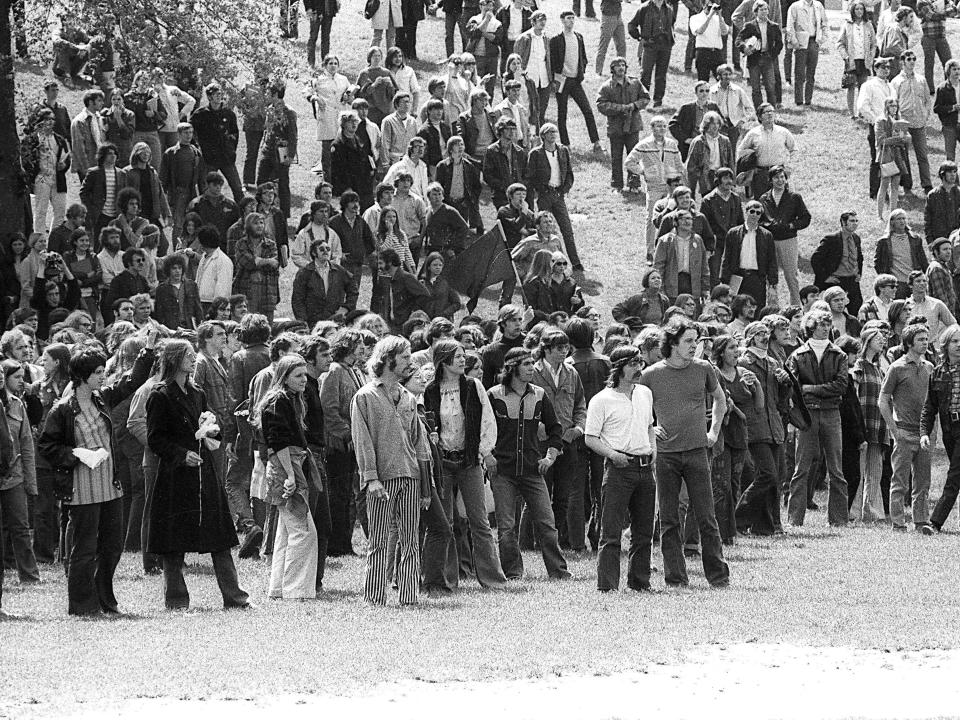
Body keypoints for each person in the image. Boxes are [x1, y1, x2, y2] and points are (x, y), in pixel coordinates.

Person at [38, 336, 154, 615]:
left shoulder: (101, 398)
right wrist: (76, 454)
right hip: (81, 490)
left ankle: (105, 598)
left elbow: (129, 383)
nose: (103, 376)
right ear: (82, 376)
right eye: (98, 373)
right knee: (84, 549)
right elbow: (47, 445)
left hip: (109, 487)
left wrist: (147, 351)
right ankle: (81, 604)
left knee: (112, 547)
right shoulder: (63, 409)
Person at [146, 339, 250, 609]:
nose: (193, 359)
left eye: (193, 355)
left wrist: (212, 432)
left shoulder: (197, 392)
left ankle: (235, 597)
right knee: (173, 542)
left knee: (220, 537)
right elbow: (155, 439)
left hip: (204, 472)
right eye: (187, 355)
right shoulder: (160, 395)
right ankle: (177, 600)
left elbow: (208, 426)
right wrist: (181, 455)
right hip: (176, 477)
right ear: (173, 359)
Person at [640, 317, 729, 587]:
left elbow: (720, 401)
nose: (695, 346)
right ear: (673, 344)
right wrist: (650, 429)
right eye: (689, 341)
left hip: (696, 452)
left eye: (697, 341)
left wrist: (713, 432)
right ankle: (676, 578)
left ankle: (718, 577)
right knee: (668, 518)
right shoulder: (651, 374)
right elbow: (639, 409)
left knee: (706, 516)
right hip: (666, 455)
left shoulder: (704, 369)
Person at [351, 336, 433, 605]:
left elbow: (420, 444)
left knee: (410, 540)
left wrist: (425, 486)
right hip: (381, 480)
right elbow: (362, 441)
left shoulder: (409, 397)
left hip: (410, 477)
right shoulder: (364, 397)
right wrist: (371, 478)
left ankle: (409, 597)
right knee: (378, 540)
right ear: (388, 359)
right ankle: (374, 598)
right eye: (406, 357)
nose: (411, 362)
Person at [421, 340, 507, 589]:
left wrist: (482, 451)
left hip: (469, 461)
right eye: (457, 356)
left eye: (463, 356)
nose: (462, 360)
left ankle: (493, 579)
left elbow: (487, 421)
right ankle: (447, 578)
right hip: (444, 464)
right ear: (444, 361)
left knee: (479, 521)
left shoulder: (473, 385)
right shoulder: (430, 390)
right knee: (446, 522)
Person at [487, 347, 571, 580]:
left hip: (533, 470)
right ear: (513, 367)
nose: (531, 368)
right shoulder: (493, 395)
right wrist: (487, 456)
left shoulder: (540, 395)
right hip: (502, 471)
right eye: (526, 364)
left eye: (531, 363)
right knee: (506, 527)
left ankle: (559, 571)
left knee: (547, 523)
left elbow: (555, 430)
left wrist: (550, 457)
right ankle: (513, 573)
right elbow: (482, 430)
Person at [584, 345, 656, 590]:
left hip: (645, 467)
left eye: (639, 363)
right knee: (611, 532)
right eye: (632, 364)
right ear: (618, 368)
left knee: (644, 531)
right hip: (618, 468)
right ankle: (607, 585)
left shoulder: (645, 393)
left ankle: (640, 582)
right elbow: (590, 438)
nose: (638, 368)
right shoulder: (601, 400)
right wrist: (614, 455)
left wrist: (652, 448)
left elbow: (649, 426)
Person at [259, 354, 321, 600]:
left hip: (291, 464)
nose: (304, 379)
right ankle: (296, 589)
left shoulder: (288, 400)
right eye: (298, 375)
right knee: (304, 532)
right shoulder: (279, 401)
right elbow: (278, 441)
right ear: (284, 378)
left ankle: (279, 588)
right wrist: (290, 475)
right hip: (287, 465)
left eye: (305, 374)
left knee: (287, 531)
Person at [786, 308, 849, 527]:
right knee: (801, 467)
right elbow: (793, 386)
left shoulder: (839, 354)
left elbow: (842, 386)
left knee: (836, 469)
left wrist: (811, 388)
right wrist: (815, 389)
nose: (825, 327)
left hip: (831, 412)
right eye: (821, 324)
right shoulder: (797, 354)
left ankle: (839, 520)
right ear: (811, 327)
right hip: (808, 414)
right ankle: (794, 519)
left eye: (828, 323)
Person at [880, 323, 934, 533]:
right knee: (900, 480)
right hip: (903, 430)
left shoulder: (929, 367)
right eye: (920, 339)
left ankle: (921, 521)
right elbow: (883, 401)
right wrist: (894, 430)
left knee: (923, 482)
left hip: (924, 434)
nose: (925, 342)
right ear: (909, 342)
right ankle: (898, 523)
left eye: (926, 338)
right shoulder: (897, 367)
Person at [0, 361, 39, 586]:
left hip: (14, 476)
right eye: (16, 377)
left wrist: (30, 483)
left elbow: (26, 445)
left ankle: (30, 574)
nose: (21, 381)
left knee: (21, 527)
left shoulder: (17, 405)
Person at [525, 123, 584, 274]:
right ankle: (551, 263)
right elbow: (530, 177)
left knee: (567, 229)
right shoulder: (536, 153)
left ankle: (575, 263)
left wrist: (564, 189)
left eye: (554, 131)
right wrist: (540, 190)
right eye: (549, 132)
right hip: (545, 195)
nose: (553, 134)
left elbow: (569, 173)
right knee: (547, 230)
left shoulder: (562, 150)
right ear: (543, 136)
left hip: (559, 194)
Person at [625, 116, 684, 261]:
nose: (662, 129)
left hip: (671, 187)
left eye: (664, 126)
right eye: (658, 126)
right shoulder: (644, 145)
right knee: (652, 218)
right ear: (652, 128)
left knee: (673, 217)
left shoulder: (671, 144)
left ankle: (671, 249)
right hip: (654, 187)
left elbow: (679, 164)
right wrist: (644, 172)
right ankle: (650, 251)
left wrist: (679, 179)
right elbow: (629, 162)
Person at [549, 12, 603, 152]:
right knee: (562, 113)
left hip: (575, 80)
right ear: (562, 20)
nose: (571, 21)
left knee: (588, 110)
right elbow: (552, 61)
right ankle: (566, 144)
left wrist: (581, 71)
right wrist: (555, 79)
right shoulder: (556, 40)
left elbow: (583, 57)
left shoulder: (578, 37)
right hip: (562, 80)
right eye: (568, 19)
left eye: (573, 18)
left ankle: (596, 142)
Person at [851, 325, 889, 523]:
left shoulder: (878, 368)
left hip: (879, 423)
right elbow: (854, 394)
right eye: (877, 338)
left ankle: (871, 509)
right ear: (867, 341)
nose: (882, 340)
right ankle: (854, 511)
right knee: (859, 468)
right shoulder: (859, 366)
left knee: (875, 469)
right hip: (864, 421)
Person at [596, 56, 650, 193]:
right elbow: (601, 105)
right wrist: (620, 108)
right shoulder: (606, 87)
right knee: (616, 156)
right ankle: (616, 185)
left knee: (634, 155)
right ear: (612, 69)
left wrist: (634, 105)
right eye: (617, 65)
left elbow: (646, 98)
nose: (621, 67)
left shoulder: (635, 83)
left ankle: (634, 184)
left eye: (623, 65)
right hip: (616, 127)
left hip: (633, 125)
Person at [759, 164, 810, 306]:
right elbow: (760, 219)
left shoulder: (794, 197)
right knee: (771, 276)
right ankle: (772, 307)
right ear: (771, 180)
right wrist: (767, 226)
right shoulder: (764, 198)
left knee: (791, 275)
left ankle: (796, 306)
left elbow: (806, 218)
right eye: (776, 178)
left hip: (788, 240)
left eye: (782, 177)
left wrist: (792, 225)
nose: (780, 180)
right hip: (770, 240)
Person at [21, 108, 71, 235]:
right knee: (40, 212)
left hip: (57, 179)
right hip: (41, 178)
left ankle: (54, 241)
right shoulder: (31, 140)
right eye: (47, 119)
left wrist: (63, 165)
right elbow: (26, 160)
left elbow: (67, 158)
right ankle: (40, 242)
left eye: (52, 119)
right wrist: (33, 176)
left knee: (60, 211)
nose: (50, 122)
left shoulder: (59, 139)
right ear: (40, 121)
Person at [720, 199, 779, 309]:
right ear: (746, 212)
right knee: (735, 309)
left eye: (758, 213)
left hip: (757, 278)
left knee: (756, 309)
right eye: (752, 211)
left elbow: (772, 261)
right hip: (737, 277)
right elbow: (726, 258)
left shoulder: (767, 235)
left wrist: (772, 284)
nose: (754, 215)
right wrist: (724, 281)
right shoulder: (733, 233)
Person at [890, 50, 933, 194]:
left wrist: (926, 114)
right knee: (904, 156)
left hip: (919, 123)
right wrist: (898, 121)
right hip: (904, 124)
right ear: (902, 62)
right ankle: (907, 185)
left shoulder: (921, 79)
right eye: (909, 59)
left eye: (914, 59)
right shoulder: (896, 82)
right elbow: (893, 103)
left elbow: (927, 99)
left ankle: (927, 184)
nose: (912, 61)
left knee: (922, 155)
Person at [291, 239, 359, 327]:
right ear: (314, 253)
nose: (326, 251)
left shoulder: (339, 271)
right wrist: (303, 322)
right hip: (313, 322)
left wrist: (346, 308)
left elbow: (353, 289)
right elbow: (297, 300)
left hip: (335, 321)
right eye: (322, 249)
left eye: (328, 249)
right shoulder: (304, 273)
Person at [257, 81, 298, 220]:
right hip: (268, 150)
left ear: (275, 94)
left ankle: (284, 216)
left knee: (282, 183)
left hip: (281, 151)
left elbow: (293, 135)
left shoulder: (289, 112)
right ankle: (259, 211)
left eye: (268, 93)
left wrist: (290, 155)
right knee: (261, 180)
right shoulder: (269, 108)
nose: (266, 95)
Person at [810, 211, 865, 316]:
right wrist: (826, 277)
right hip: (836, 280)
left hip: (852, 281)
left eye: (856, 221)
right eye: (852, 221)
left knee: (856, 309)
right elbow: (815, 259)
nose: (855, 223)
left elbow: (859, 257)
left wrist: (859, 273)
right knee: (830, 313)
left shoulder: (856, 238)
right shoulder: (831, 239)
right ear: (843, 222)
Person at [736, 103, 796, 198]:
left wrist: (789, 168)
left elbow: (794, 150)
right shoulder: (753, 133)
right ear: (759, 116)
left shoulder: (783, 132)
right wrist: (749, 168)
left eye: (772, 111)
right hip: (760, 175)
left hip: (779, 174)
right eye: (766, 112)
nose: (770, 114)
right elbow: (740, 151)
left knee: (782, 205)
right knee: (762, 205)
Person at [653, 209, 711, 305]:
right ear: (676, 222)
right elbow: (658, 267)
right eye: (684, 219)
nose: (687, 222)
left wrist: (705, 288)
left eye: (690, 219)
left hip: (693, 285)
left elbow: (704, 266)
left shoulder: (698, 240)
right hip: (672, 285)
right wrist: (660, 288)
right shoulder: (665, 241)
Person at [307, 56, 350, 181]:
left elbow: (350, 94)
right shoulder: (319, 80)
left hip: (341, 115)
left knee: (342, 150)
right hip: (327, 116)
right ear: (325, 65)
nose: (333, 66)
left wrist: (348, 96)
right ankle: (328, 181)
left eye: (335, 63)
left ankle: (341, 181)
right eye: (330, 63)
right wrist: (316, 98)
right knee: (327, 152)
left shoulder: (343, 79)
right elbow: (307, 92)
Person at [159, 123, 202, 244]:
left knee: (193, 222)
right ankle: (176, 251)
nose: (189, 136)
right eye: (186, 133)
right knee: (178, 224)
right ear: (179, 134)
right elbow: (163, 178)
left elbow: (201, 177)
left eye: (191, 133)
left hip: (192, 192)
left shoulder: (196, 152)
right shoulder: (170, 153)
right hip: (178, 192)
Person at [233, 213, 281, 321]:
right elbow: (247, 263)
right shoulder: (241, 243)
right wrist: (266, 261)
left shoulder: (271, 245)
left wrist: (257, 261)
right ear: (248, 226)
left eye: (261, 223)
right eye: (255, 223)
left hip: (267, 291)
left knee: (266, 327)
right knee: (247, 324)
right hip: (246, 290)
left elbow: (275, 265)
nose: (260, 226)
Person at [858, 58, 894, 201]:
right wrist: (875, 121)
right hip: (877, 127)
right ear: (876, 68)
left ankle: (887, 189)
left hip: (891, 126)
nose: (886, 70)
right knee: (877, 158)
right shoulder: (869, 85)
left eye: (888, 68)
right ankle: (875, 191)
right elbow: (862, 106)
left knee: (890, 158)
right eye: (883, 67)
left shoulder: (890, 86)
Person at [628, 0, 675, 108]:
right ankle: (643, 101)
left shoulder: (668, 9)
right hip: (650, 45)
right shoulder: (644, 8)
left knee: (661, 74)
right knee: (646, 73)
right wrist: (640, 37)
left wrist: (671, 39)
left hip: (665, 46)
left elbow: (671, 24)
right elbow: (631, 25)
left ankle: (658, 101)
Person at [700, 168, 744, 283]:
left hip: (733, 243)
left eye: (730, 178)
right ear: (718, 180)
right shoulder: (708, 200)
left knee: (734, 275)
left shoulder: (736, 199)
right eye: (725, 178)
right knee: (715, 275)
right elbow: (703, 226)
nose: (729, 181)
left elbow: (741, 222)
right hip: (716, 244)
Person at [371, 248, 430, 330]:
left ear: (390, 262)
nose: (379, 267)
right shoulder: (388, 279)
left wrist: (411, 313)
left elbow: (424, 295)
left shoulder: (406, 277)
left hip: (404, 325)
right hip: (393, 325)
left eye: (381, 263)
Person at [739, 0, 783, 109]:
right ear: (755, 12)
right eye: (761, 10)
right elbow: (738, 40)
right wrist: (744, 48)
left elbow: (779, 44)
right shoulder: (750, 26)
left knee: (770, 87)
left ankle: (771, 111)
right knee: (756, 88)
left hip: (768, 59)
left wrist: (772, 55)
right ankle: (759, 112)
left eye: (766, 9)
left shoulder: (774, 26)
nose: (764, 12)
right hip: (754, 60)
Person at [874, 209, 927, 298]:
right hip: (896, 282)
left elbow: (923, 260)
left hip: (913, 280)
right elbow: (877, 262)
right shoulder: (884, 241)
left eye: (904, 218)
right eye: (899, 219)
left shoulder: (915, 239)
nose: (902, 221)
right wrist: (886, 280)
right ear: (892, 222)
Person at [837, 1, 877, 120]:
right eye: (857, 9)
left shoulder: (868, 25)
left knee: (863, 87)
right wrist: (846, 56)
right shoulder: (848, 25)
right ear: (853, 11)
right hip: (852, 61)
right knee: (851, 86)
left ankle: (861, 111)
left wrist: (871, 56)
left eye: (861, 9)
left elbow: (874, 43)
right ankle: (851, 113)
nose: (859, 11)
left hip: (864, 60)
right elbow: (840, 43)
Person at [436, 136, 484, 232]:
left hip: (463, 204)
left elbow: (477, 186)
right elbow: (438, 186)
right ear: (450, 149)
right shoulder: (442, 166)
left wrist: (470, 199)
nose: (461, 147)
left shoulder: (469, 166)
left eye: (462, 144)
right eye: (457, 145)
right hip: (448, 203)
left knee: (461, 231)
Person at [874, 97, 911, 219]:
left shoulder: (900, 120)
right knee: (884, 184)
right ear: (886, 107)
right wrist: (897, 139)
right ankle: (879, 216)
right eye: (891, 106)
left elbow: (908, 138)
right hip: (886, 155)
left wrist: (904, 137)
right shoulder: (881, 121)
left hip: (898, 155)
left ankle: (892, 215)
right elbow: (880, 141)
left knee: (895, 185)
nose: (894, 109)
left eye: (895, 106)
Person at [785, 0, 827, 106]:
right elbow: (790, 25)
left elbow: (824, 23)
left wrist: (822, 38)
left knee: (811, 73)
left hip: (813, 41)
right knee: (799, 73)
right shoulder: (795, 6)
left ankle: (808, 100)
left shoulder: (818, 6)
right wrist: (794, 41)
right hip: (801, 41)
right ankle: (799, 100)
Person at [514, 10, 553, 127]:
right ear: (533, 22)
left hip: (544, 78)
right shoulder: (524, 38)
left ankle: (540, 134)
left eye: (544, 20)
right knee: (531, 109)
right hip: (529, 78)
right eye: (540, 20)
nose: (543, 23)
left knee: (542, 109)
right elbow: (517, 59)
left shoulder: (546, 38)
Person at [685, 111, 735, 198]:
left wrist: (732, 181)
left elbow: (730, 161)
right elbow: (691, 165)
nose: (715, 126)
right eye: (712, 124)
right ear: (706, 125)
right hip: (706, 176)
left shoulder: (725, 140)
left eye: (717, 123)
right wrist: (694, 183)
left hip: (722, 175)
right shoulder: (698, 142)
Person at [669, 82, 722, 162]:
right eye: (701, 91)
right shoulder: (686, 108)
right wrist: (685, 139)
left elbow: (722, 123)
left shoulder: (713, 106)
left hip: (710, 145)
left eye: (707, 91)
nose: (704, 93)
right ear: (696, 93)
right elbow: (673, 125)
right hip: (690, 145)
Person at [483, 118, 527, 209]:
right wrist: (502, 186)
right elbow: (487, 175)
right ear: (501, 130)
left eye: (513, 129)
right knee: (505, 219)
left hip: (518, 195)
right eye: (508, 129)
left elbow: (525, 173)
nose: (511, 132)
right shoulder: (492, 150)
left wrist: (520, 187)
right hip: (501, 195)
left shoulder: (519, 151)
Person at [904, 270, 956, 346]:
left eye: (924, 281)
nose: (922, 283)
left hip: (932, 347)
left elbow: (953, 325)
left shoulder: (937, 304)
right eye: (918, 281)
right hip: (911, 347)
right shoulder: (905, 305)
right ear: (910, 285)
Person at [154, 253, 203, 330]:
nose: (177, 271)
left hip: (189, 326)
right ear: (168, 270)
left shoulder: (192, 285)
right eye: (174, 268)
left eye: (180, 268)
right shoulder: (161, 289)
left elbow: (198, 309)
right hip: (171, 328)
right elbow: (159, 313)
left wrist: (200, 326)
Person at [195, 227, 233, 315]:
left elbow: (223, 288)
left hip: (212, 304)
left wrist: (217, 309)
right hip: (200, 301)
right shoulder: (204, 257)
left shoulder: (223, 260)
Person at [916, 0, 952, 94]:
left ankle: (949, 87)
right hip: (928, 37)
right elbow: (931, 16)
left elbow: (955, 11)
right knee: (929, 63)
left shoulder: (944, 1)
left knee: (948, 62)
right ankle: (929, 89)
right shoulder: (922, 2)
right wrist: (947, 12)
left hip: (941, 36)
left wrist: (947, 11)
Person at [70, 90, 105, 182]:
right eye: (99, 100)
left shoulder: (98, 118)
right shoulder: (79, 121)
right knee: (88, 194)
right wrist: (86, 168)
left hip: (98, 162)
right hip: (87, 165)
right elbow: (79, 148)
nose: (102, 103)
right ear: (90, 102)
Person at [690, 2, 730, 81]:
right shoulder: (695, 18)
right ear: (703, 5)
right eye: (709, 7)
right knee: (703, 82)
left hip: (717, 53)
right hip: (703, 52)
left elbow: (724, 32)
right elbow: (700, 31)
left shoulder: (719, 19)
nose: (711, 9)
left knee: (723, 81)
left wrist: (719, 15)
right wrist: (709, 16)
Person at [924, 161, 960, 246]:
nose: (953, 175)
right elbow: (927, 220)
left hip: (957, 240)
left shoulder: (958, 193)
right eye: (950, 172)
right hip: (939, 239)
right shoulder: (933, 195)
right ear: (943, 174)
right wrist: (930, 241)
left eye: (954, 172)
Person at [418, 253, 462, 319]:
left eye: (440, 265)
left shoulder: (447, 282)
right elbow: (417, 303)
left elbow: (457, 303)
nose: (438, 267)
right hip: (426, 320)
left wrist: (445, 314)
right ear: (428, 267)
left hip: (443, 320)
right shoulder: (422, 283)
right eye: (435, 265)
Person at [934, 60, 960, 162]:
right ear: (948, 71)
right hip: (949, 125)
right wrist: (952, 108)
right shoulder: (942, 88)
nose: (957, 72)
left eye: (958, 69)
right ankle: (951, 177)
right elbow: (937, 108)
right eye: (954, 69)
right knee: (950, 157)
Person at [926, 238, 956, 316]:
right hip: (943, 316)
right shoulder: (937, 268)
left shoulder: (943, 266)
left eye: (950, 249)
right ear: (936, 252)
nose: (948, 252)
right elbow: (940, 297)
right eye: (945, 249)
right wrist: (949, 317)